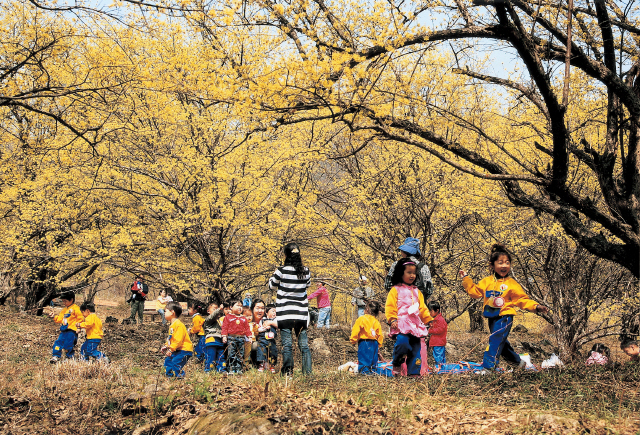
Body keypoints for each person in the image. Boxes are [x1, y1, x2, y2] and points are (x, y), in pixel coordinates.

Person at [460, 243, 549, 370]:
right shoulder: (486, 281)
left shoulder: (511, 283)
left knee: (495, 340)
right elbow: (474, 292)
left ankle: (489, 367)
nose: (504, 266)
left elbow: (522, 299)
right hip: (492, 317)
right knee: (502, 344)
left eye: (507, 262)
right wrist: (466, 279)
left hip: (505, 317)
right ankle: (519, 363)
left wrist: (536, 306)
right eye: (500, 262)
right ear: (492, 265)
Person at [268, 242, 312, 375]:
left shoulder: (281, 270)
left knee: (287, 344)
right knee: (303, 345)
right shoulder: (306, 271)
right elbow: (307, 285)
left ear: (286, 255)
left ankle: (287, 372)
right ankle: (307, 373)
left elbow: (271, 285)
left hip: (285, 313)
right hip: (301, 314)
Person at [385, 258, 433, 376]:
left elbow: (422, 308)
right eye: (409, 272)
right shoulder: (395, 290)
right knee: (403, 344)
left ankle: (414, 374)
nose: (412, 275)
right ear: (401, 273)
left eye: (414, 273)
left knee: (416, 350)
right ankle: (397, 362)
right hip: (401, 324)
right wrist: (392, 319)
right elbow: (390, 306)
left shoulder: (417, 291)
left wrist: (428, 320)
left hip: (415, 325)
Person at [384, 237, 434, 301]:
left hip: (399, 304)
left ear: (404, 252)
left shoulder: (396, 265)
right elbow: (429, 289)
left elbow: (387, 285)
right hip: (418, 305)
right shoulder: (424, 267)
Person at [49, 291, 84, 363]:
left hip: (71, 331)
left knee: (68, 344)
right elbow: (60, 318)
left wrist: (78, 327)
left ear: (71, 300)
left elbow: (80, 319)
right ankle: (55, 356)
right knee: (58, 342)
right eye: (63, 301)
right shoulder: (65, 310)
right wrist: (54, 317)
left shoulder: (76, 309)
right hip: (64, 330)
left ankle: (69, 357)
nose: (64, 303)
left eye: (65, 301)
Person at [161, 302, 193, 378]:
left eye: (165, 311)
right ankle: (170, 377)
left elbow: (178, 340)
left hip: (184, 350)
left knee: (175, 363)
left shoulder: (179, 325)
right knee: (168, 361)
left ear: (172, 312)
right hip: (177, 349)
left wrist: (171, 349)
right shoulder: (172, 325)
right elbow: (171, 338)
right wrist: (166, 346)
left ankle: (179, 378)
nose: (164, 313)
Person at [350, 301, 383, 374]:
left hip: (364, 342)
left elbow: (355, 331)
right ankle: (374, 371)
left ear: (367, 309)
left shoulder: (361, 319)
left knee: (364, 358)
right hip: (375, 343)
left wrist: (353, 340)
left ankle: (364, 372)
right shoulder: (376, 321)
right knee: (374, 359)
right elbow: (380, 334)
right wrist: (379, 344)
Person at [221, 299, 252, 374]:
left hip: (241, 338)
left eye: (241, 306)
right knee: (231, 353)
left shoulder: (243, 318)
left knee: (240, 354)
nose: (239, 307)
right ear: (231, 307)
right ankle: (231, 368)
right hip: (231, 338)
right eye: (237, 305)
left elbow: (247, 328)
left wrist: (250, 336)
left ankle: (239, 369)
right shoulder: (228, 317)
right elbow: (224, 327)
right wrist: (224, 336)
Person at [203, 302, 227, 373]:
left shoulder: (219, 321)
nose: (217, 311)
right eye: (214, 309)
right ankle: (209, 370)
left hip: (220, 341)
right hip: (211, 340)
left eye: (218, 310)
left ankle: (221, 369)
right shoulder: (208, 320)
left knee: (221, 356)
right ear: (208, 311)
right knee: (211, 356)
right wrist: (219, 309)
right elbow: (213, 316)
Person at [427, 301, 447, 366]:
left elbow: (440, 329)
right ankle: (442, 367)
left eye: (431, 311)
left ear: (437, 310)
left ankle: (440, 367)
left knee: (438, 356)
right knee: (439, 355)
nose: (430, 313)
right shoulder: (435, 320)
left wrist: (430, 331)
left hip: (439, 342)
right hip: (436, 342)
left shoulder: (440, 320)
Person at [243, 306, 255, 370]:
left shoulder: (252, 324)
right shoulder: (242, 324)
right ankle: (244, 364)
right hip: (245, 340)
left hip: (252, 340)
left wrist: (255, 327)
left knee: (248, 353)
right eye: (246, 316)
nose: (249, 317)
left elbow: (256, 332)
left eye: (250, 315)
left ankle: (247, 364)